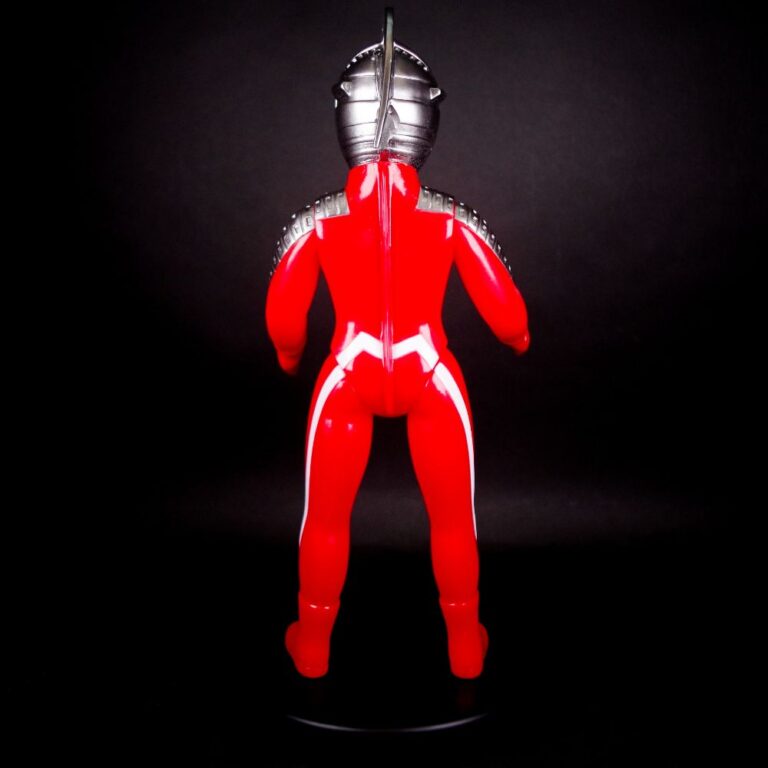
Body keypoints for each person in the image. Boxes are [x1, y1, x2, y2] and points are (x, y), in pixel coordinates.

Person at [265, 9, 529, 679]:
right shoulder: (449, 219)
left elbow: (284, 319)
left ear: (344, 122)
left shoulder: (318, 222)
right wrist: (519, 340)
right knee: (453, 520)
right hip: (431, 371)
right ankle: (465, 646)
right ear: (426, 124)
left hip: (345, 373)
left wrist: (290, 358)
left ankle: (313, 647)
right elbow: (509, 314)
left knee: (325, 520)